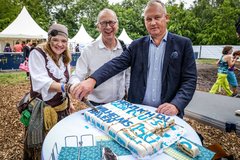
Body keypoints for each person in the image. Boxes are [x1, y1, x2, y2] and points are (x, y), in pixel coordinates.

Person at [70, 0, 197, 118]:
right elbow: (116, 64)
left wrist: (176, 104)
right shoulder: (137, 45)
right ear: (144, 21)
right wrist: (92, 80)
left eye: (157, 17)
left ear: (166, 18)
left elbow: (189, 80)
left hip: (166, 112)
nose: (153, 22)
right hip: (137, 111)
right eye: (148, 19)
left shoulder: (183, 44)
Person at [24, 23, 75, 159]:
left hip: (61, 108)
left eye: (63, 41)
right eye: (55, 40)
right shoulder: (38, 53)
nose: (60, 44)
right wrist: (67, 87)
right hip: (42, 110)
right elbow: (41, 81)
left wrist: (69, 101)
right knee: (41, 147)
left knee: (59, 143)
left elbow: (65, 82)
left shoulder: (65, 58)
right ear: (49, 40)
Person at [69, 8, 130, 106]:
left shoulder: (124, 49)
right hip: (96, 105)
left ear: (117, 24)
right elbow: (77, 75)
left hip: (120, 103)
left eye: (111, 22)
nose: (108, 26)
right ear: (98, 26)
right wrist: (76, 86)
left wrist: (129, 97)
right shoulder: (89, 50)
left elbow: (127, 76)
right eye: (103, 23)